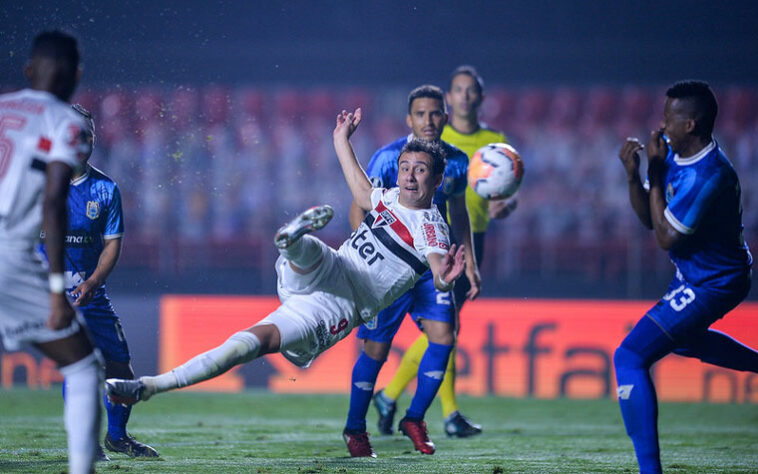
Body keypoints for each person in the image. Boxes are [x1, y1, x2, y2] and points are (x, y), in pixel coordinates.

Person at [105, 108, 466, 457]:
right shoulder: (390, 197)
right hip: (334, 267)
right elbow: (360, 193)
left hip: (339, 306)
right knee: (311, 249)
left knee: (246, 345)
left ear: (437, 180)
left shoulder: (431, 227)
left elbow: (436, 264)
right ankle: (293, 241)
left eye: (420, 171)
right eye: (405, 168)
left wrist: (445, 281)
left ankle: (147, 386)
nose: (409, 177)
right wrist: (341, 139)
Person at [616, 80, 756, 474]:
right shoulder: (679, 157)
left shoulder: (708, 175)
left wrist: (656, 172)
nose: (661, 126)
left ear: (690, 124)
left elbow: (664, 237)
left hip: (715, 281)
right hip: (697, 276)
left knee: (629, 355)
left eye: (668, 118)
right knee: (684, 341)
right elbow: (650, 218)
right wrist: (634, 176)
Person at [373, 65, 518, 439]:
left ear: (480, 98)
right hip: (433, 243)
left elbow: (498, 193)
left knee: (447, 328)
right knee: (444, 329)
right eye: (459, 89)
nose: (466, 95)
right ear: (449, 98)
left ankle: (390, 397)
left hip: (471, 238)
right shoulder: (435, 137)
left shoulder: (494, 140)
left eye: (472, 90)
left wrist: (505, 206)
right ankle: (440, 410)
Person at [343, 85, 480, 457]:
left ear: (445, 118)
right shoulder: (389, 158)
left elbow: (458, 210)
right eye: (421, 114)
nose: (429, 121)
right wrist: (368, 257)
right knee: (376, 347)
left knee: (444, 335)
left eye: (435, 113)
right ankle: (355, 428)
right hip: (391, 264)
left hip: (431, 259)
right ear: (410, 119)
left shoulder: (457, 161)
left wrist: (470, 260)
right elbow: (361, 203)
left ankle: (414, 417)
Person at [0, 30, 101, 474]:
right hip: (9, 254)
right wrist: (59, 288)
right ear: (77, 76)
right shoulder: (67, 122)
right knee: (81, 366)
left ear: (27, 71)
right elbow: (54, 199)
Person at [43, 104, 158, 458]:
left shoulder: (106, 189)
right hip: (53, 294)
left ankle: (117, 437)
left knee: (121, 367)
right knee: (78, 366)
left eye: (90, 136)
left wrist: (92, 282)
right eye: (79, 136)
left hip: (91, 295)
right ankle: (86, 443)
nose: (85, 142)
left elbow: (112, 246)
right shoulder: (42, 184)